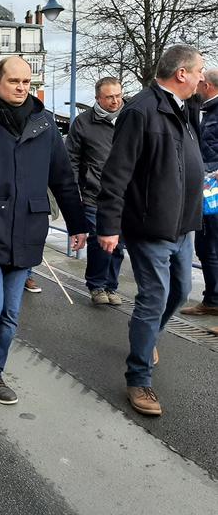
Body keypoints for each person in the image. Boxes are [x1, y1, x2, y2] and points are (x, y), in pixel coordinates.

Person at [0, 56, 87, 413]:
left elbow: (62, 178)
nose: (22, 87)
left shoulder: (45, 125)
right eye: (14, 81)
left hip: (28, 229)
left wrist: (77, 223)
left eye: (27, 81)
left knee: (10, 312)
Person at [97, 45, 205, 417]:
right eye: (198, 71)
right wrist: (108, 225)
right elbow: (117, 172)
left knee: (181, 292)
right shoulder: (141, 110)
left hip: (183, 226)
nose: (202, 78)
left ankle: (147, 335)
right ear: (181, 74)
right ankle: (138, 378)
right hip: (150, 227)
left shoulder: (184, 110)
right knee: (154, 298)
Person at [67, 77, 126, 305]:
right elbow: (71, 159)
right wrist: (73, 192)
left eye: (118, 95)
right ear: (98, 98)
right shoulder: (83, 123)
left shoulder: (130, 118)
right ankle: (96, 285)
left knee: (118, 244)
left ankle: (111, 286)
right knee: (99, 242)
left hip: (123, 194)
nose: (115, 101)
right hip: (94, 193)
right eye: (109, 97)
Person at [181, 68, 218, 317]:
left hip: (212, 192)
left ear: (207, 85)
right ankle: (212, 299)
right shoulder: (206, 111)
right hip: (208, 192)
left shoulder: (213, 113)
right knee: (206, 246)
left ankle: (214, 301)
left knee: (210, 246)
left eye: (200, 82)